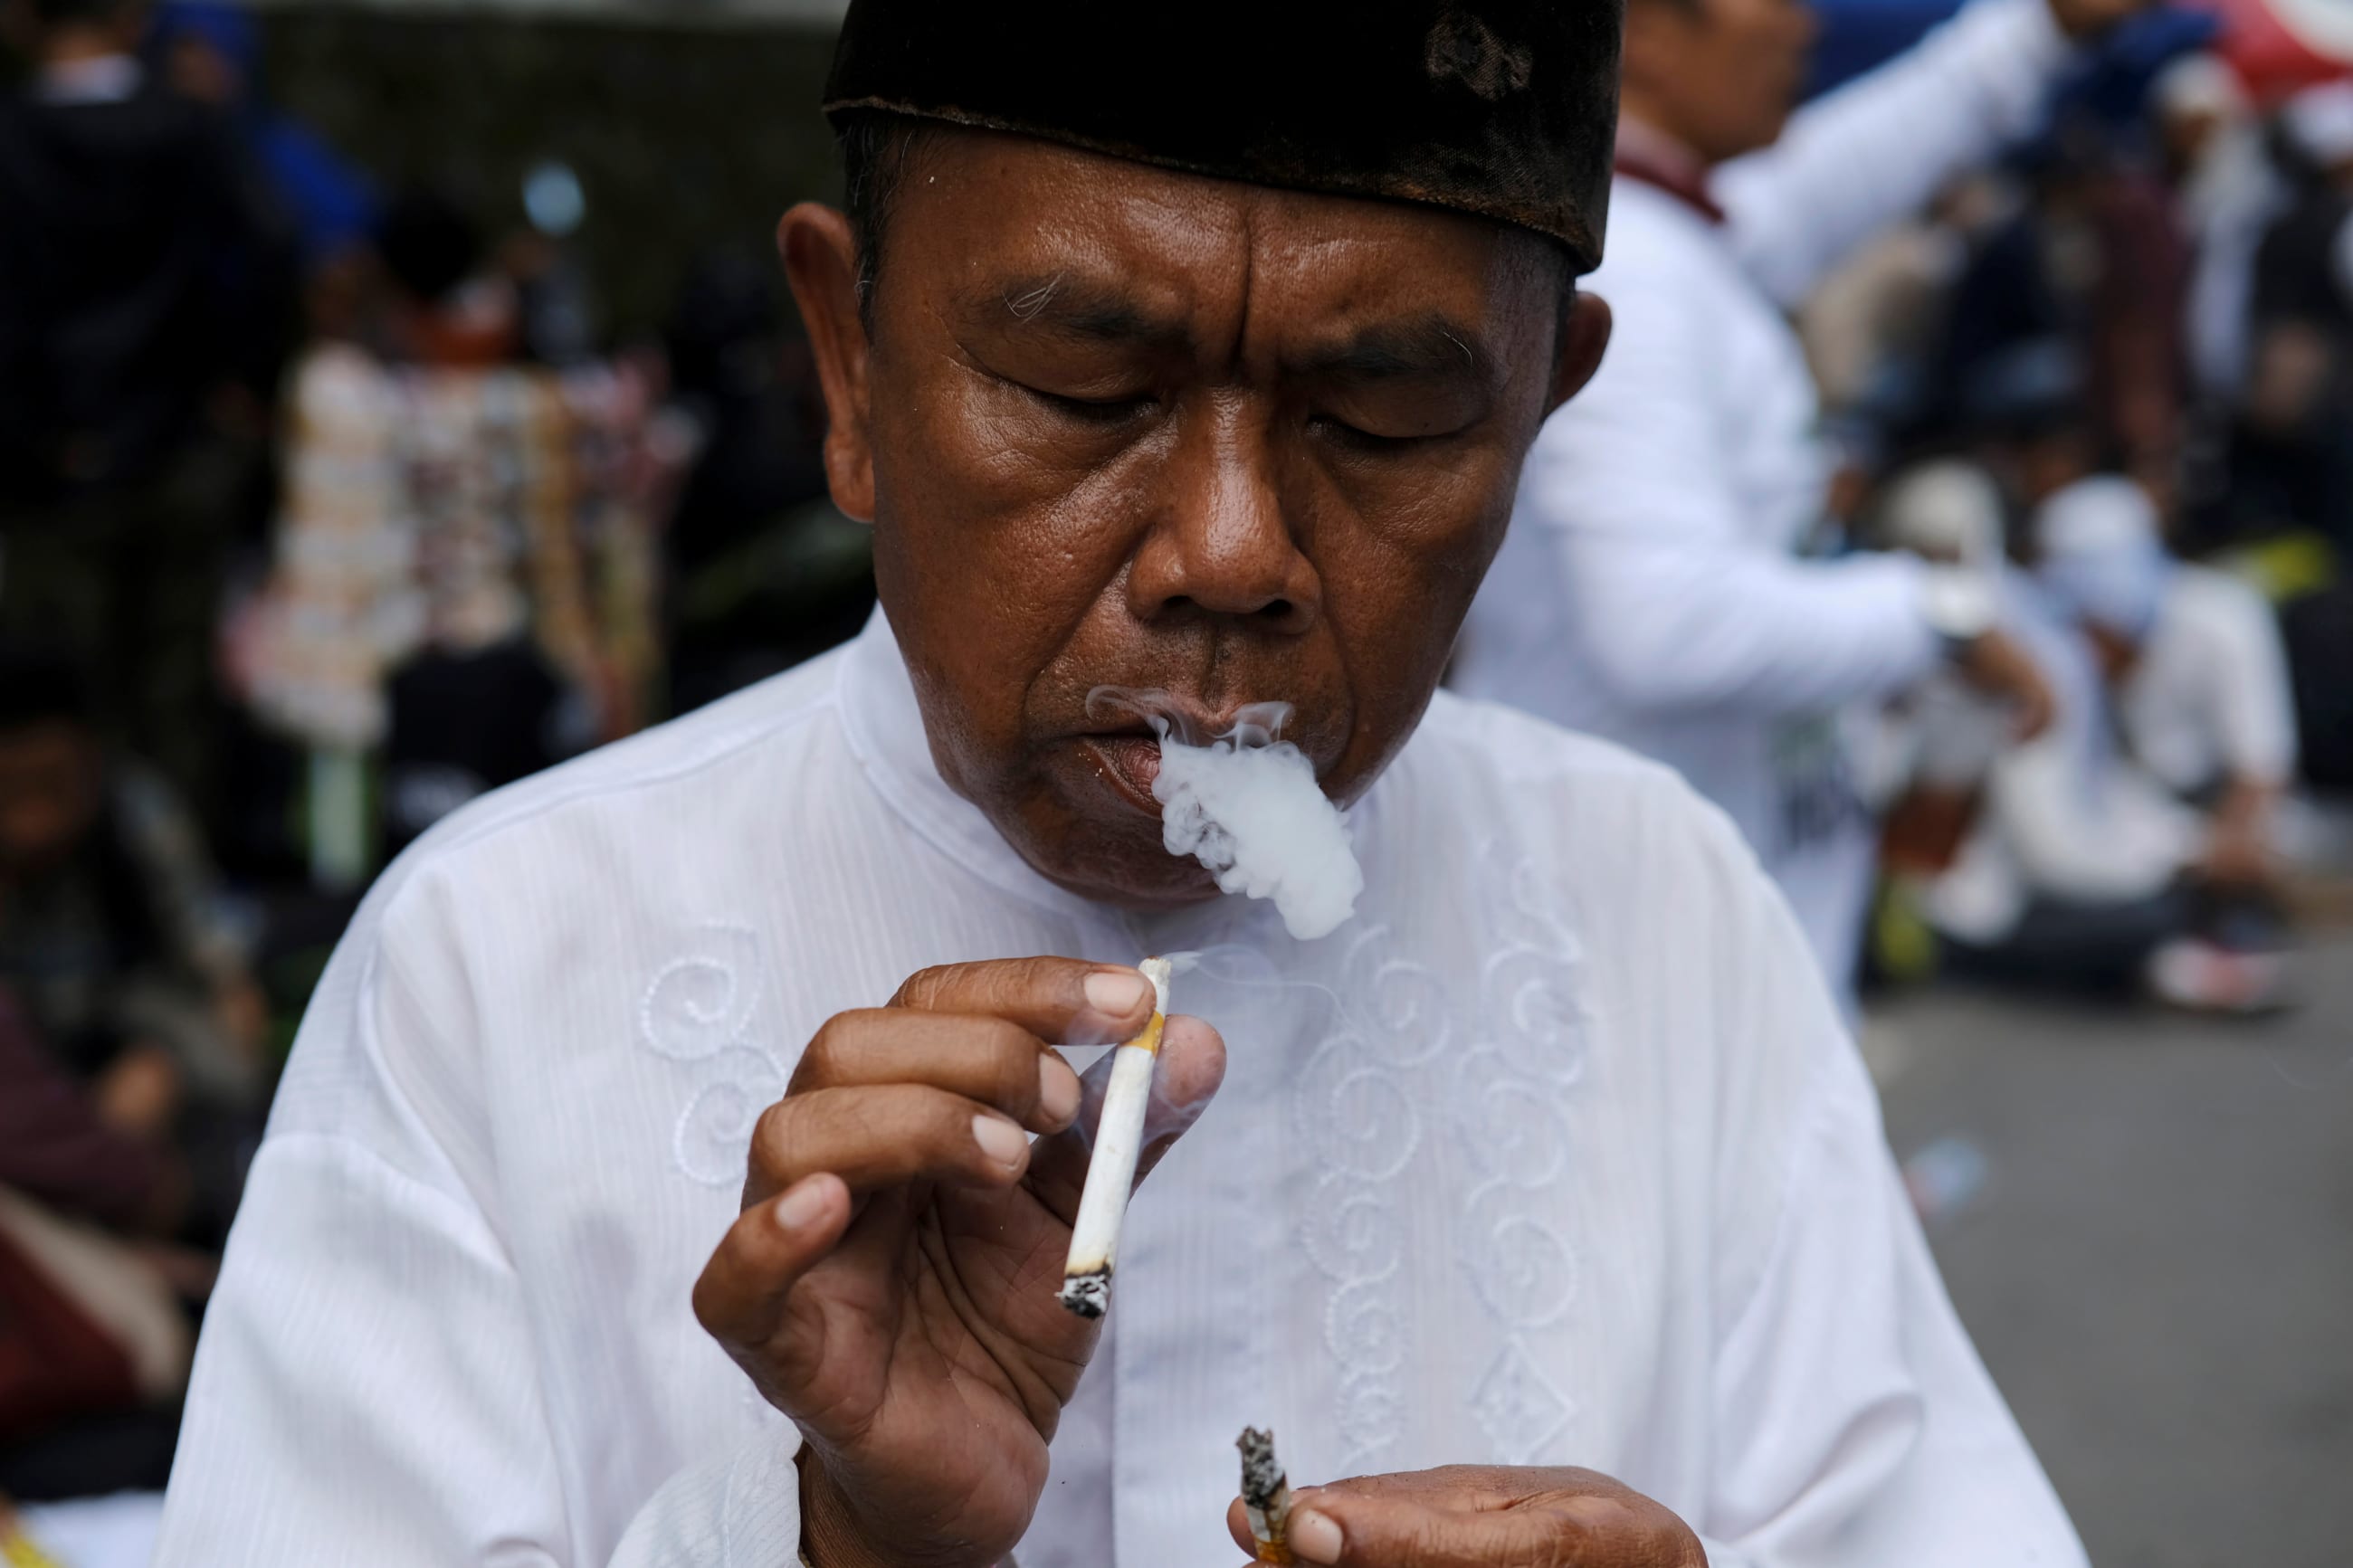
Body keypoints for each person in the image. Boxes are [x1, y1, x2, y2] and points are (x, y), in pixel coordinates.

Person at [155, 4, 2086, 1564]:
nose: (1230, 548)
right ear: (848, 361)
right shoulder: (498, 965)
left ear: (1541, 415)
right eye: (1085, 392)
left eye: (1384, 415)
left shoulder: (1654, 898)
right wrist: (838, 1545)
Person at [1453, 0, 2161, 1001]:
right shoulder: (1639, 276)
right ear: (1644, 31)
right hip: (1634, 948)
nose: (1802, 26)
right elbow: (1666, 626)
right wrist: (1939, 617)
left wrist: (2041, 31)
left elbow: (1872, 153)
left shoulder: (1665, 228)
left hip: (1675, 913)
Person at [0, 0, 290, 822]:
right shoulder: (193, 127)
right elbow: (270, 247)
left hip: (51, 462)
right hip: (177, 443)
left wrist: (26, 430)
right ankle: (176, 893)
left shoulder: (13, 135)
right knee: (172, 694)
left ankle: (68, 896)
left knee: (50, 697)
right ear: (133, 18)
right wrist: (242, 385)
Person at [1926, 477, 2291, 1008]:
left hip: (2085, 861)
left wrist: (2196, 850)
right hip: (1985, 906)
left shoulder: (2075, 663)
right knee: (2148, 917)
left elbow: (2104, 807)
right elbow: (2053, 854)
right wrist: (2188, 859)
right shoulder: (2050, 673)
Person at [0, 646, 265, 1240]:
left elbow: (232, 993)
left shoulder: (135, 818)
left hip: (146, 1095)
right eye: (10, 790)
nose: (31, 817)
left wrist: (172, 1066)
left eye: (50, 784)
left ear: (91, 763)